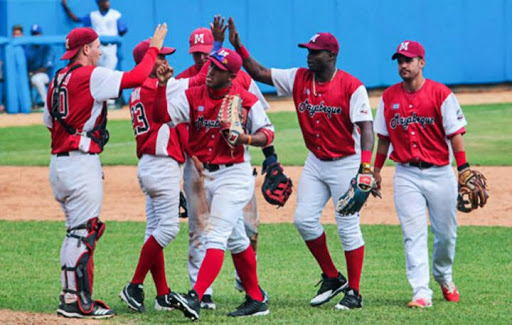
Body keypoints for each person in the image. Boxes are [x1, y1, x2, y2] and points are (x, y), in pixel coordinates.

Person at [227, 18, 375, 310]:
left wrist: (366, 170)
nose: (308, 55)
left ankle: (354, 292)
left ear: (331, 56)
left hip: (346, 161)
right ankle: (333, 277)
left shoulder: (351, 86)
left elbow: (367, 130)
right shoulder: (298, 78)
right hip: (316, 162)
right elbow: (258, 72)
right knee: (304, 220)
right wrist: (238, 47)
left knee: (347, 226)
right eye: (308, 50)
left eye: (315, 51)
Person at [42, 24, 168, 319]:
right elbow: (136, 77)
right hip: (79, 164)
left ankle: (70, 295)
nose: (100, 51)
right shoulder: (90, 75)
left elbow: (50, 122)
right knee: (84, 234)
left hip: (59, 164)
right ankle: (76, 302)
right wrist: (154, 48)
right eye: (97, 46)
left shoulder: (57, 78)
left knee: (76, 232)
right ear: (85, 49)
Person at [155, 46, 274, 320]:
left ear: (231, 76)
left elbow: (268, 133)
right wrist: (162, 87)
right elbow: (162, 116)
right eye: (210, 66)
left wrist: (245, 139)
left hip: (235, 175)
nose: (209, 72)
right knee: (236, 239)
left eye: (217, 70)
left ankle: (195, 297)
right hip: (207, 176)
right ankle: (256, 300)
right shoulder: (193, 94)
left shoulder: (244, 99)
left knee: (216, 235)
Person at [373, 40, 468, 308]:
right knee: (412, 233)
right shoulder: (388, 97)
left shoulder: (441, 94)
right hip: (406, 174)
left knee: (446, 234)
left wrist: (464, 169)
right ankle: (421, 292)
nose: (403, 65)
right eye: (399, 61)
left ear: (421, 63)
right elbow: (383, 139)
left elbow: (455, 134)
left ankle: (444, 276)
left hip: (440, 173)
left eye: (408, 60)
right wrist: (375, 170)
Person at [117, 39, 186, 313]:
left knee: (154, 230)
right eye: (160, 57)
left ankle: (162, 294)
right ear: (147, 62)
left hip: (149, 166)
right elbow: (194, 82)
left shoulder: (138, 90)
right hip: (160, 165)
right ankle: (134, 285)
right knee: (169, 229)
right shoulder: (154, 89)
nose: (166, 62)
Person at [61, 0, 127, 70]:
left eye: (107, 1)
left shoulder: (115, 14)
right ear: (99, 3)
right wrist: (66, 7)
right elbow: (76, 19)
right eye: (104, 1)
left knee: (109, 72)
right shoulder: (93, 15)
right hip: (98, 48)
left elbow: (123, 30)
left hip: (111, 48)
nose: (107, 3)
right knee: (97, 72)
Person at [25, 24, 54, 109]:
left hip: (46, 75)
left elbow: (46, 68)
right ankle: (32, 104)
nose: (36, 36)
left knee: (37, 79)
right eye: (34, 34)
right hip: (31, 74)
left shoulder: (46, 47)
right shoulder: (29, 48)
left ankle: (46, 104)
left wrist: (32, 73)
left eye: (37, 33)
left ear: (41, 34)